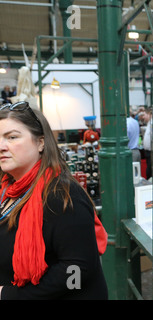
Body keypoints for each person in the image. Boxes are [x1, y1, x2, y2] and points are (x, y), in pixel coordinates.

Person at [0, 101, 108, 299]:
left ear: (40, 142)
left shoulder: (62, 196)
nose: (1, 146)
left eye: (12, 137)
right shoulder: (7, 188)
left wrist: (9, 294)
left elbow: (77, 270)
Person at [139, 108, 153, 179]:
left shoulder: (152, 124)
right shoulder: (149, 124)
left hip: (151, 152)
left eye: (145, 115)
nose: (143, 117)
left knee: (150, 171)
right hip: (147, 152)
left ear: (150, 115)